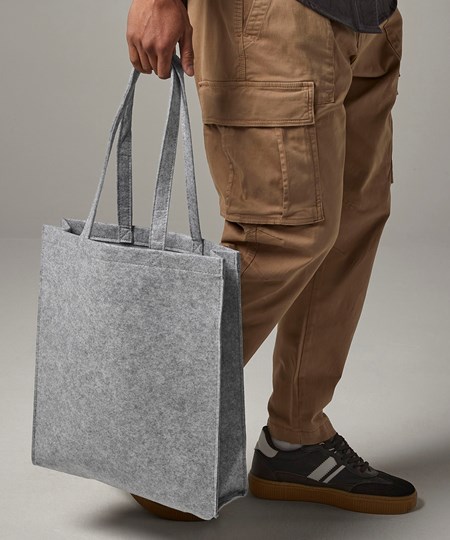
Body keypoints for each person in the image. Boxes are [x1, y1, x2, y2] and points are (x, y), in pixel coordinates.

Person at [126, 0, 417, 521]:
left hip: (369, 17)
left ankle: (295, 440)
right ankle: (145, 427)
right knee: (282, 232)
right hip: (276, 15)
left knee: (349, 223)